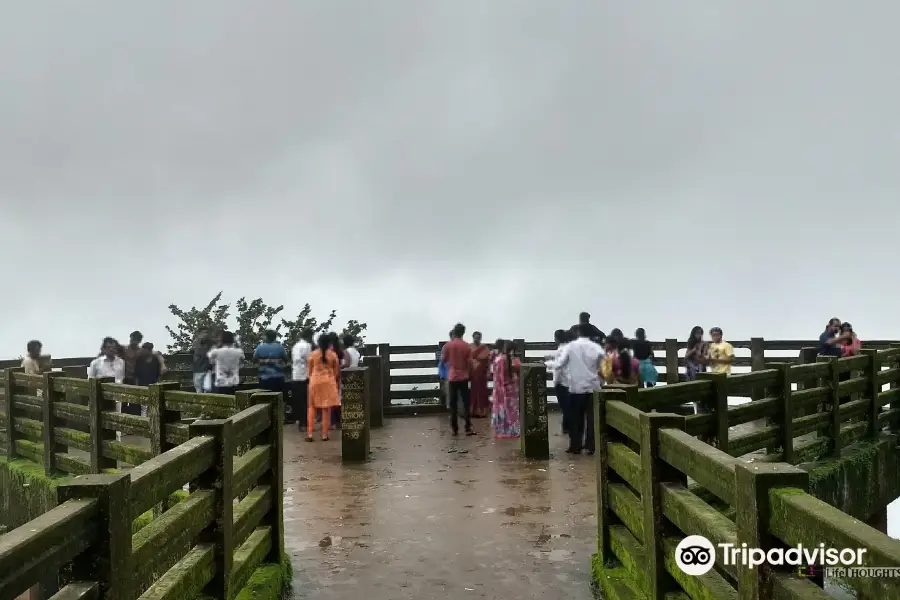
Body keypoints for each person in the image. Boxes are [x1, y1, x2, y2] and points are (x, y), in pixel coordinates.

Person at [553, 323, 603, 454]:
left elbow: (560, 367)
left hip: (576, 388)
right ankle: (591, 445)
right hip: (592, 387)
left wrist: (556, 382)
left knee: (576, 417)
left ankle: (576, 445)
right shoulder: (595, 348)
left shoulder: (571, 348)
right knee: (591, 418)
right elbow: (602, 369)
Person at [441, 323, 474, 436]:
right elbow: (470, 362)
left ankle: (454, 428)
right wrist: (469, 373)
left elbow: (443, 360)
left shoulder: (448, 346)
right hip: (464, 377)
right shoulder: (466, 346)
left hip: (452, 377)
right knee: (465, 402)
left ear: (454, 332)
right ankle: (468, 427)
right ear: (463, 333)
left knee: (453, 403)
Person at [306, 333, 341, 441]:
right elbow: (336, 372)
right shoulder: (333, 355)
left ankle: (310, 434)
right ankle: (324, 435)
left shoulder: (313, 354)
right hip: (328, 382)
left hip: (315, 381)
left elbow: (310, 371)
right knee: (326, 409)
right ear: (329, 343)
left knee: (312, 407)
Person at [253, 330, 289, 419]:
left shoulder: (260, 347)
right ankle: (280, 417)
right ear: (274, 337)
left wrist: (263, 361)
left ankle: (267, 418)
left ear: (266, 336)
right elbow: (286, 359)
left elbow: (254, 360)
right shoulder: (279, 347)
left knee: (264, 399)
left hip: (264, 378)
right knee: (280, 398)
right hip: (278, 377)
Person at [491, 340, 521, 438]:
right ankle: (510, 430)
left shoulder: (500, 359)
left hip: (501, 388)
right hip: (507, 388)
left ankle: (503, 430)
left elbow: (498, 376)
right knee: (510, 410)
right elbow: (504, 377)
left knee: (503, 409)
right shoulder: (505, 360)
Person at [545, 329, 571, 435]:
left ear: (557, 338)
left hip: (562, 382)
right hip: (570, 381)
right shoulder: (567, 348)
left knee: (564, 406)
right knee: (567, 406)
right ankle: (567, 427)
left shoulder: (561, 350)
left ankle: (567, 427)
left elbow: (558, 366)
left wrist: (555, 382)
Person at [290, 329, 314, 432]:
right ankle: (305, 422)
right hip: (305, 375)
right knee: (306, 400)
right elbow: (310, 360)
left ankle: (300, 422)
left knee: (298, 400)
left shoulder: (296, 346)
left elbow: (295, 359)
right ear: (309, 336)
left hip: (295, 375)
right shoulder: (307, 346)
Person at [207, 331, 244, 396]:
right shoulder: (238, 351)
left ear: (222, 340)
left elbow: (211, 361)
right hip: (234, 381)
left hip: (221, 381)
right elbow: (241, 363)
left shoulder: (216, 351)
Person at [469, 331, 491, 418]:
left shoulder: (484, 348)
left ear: (480, 338)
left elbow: (488, 360)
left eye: (478, 337)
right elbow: (468, 359)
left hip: (482, 373)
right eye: (475, 337)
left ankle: (482, 412)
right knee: (474, 391)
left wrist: (488, 371)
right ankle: (473, 411)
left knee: (482, 391)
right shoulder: (469, 347)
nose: (477, 339)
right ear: (473, 337)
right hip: (473, 373)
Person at [192, 328, 214, 392]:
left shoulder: (211, 343)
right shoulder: (195, 343)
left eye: (207, 332)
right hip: (197, 368)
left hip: (208, 369)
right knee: (198, 388)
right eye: (204, 332)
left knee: (208, 388)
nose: (206, 334)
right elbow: (193, 352)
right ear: (199, 334)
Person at [438, 331, 452, 408]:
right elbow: (441, 363)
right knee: (449, 393)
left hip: (458, 375)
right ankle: (451, 411)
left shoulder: (462, 345)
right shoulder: (446, 347)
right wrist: (442, 376)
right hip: (448, 375)